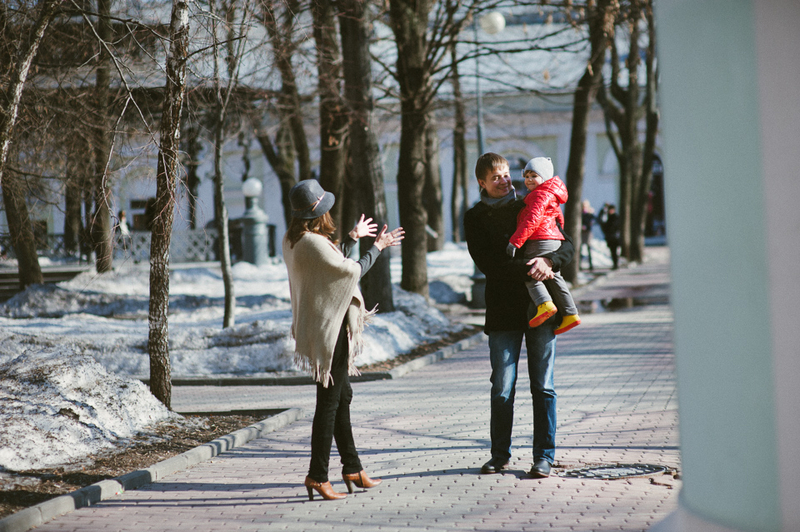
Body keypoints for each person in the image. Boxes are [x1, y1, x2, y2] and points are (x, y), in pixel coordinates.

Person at [282, 179, 404, 501]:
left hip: (321, 325)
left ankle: (352, 468)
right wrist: (379, 247)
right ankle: (317, 475)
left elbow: (332, 270)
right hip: (330, 330)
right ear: (318, 213)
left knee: (341, 396)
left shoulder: (294, 239)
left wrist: (352, 238)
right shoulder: (313, 243)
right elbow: (351, 272)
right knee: (328, 403)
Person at [464, 153, 575, 479]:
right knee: (502, 387)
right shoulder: (475, 217)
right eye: (495, 177)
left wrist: (549, 262)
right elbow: (489, 264)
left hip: (542, 308)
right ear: (482, 182)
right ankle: (500, 455)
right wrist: (533, 268)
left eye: (506, 174)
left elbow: (566, 246)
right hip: (502, 311)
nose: (505, 180)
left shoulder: (531, 201)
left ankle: (544, 457)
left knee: (543, 386)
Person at [506, 156, 580, 336]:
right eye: (526, 176)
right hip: (552, 239)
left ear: (544, 177)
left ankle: (544, 303)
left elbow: (531, 220)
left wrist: (515, 241)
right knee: (555, 277)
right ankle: (570, 313)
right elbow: (559, 219)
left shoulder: (539, 195)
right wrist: (558, 237)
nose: (529, 180)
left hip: (539, 239)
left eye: (534, 176)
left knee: (531, 271)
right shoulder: (551, 193)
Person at [599, 203, 621, 269]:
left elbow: (615, 226)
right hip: (610, 237)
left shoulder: (615, 217)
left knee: (615, 251)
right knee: (612, 251)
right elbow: (602, 222)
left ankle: (616, 264)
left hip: (614, 237)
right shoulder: (607, 217)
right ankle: (615, 264)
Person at [580, 200, 595, 271]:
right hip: (581, 233)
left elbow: (594, 221)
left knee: (588, 248)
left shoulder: (589, 214)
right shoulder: (580, 214)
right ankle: (580, 264)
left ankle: (590, 264)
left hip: (588, 233)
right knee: (580, 249)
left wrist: (587, 226)